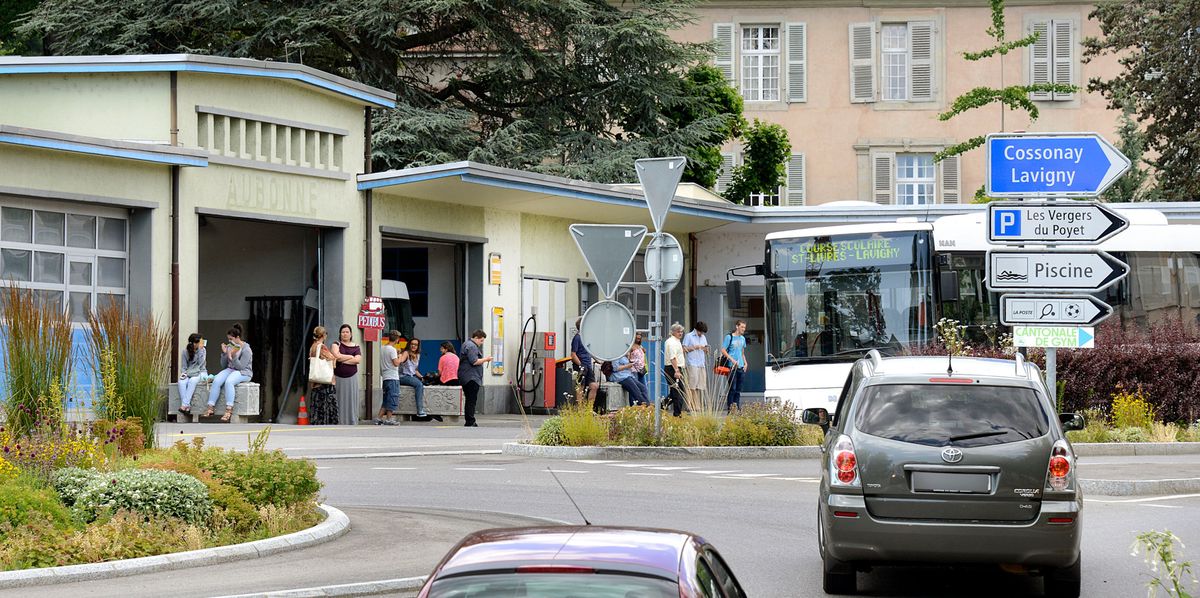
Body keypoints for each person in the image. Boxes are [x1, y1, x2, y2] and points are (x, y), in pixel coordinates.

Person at [205, 323, 252, 422]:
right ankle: (210, 407)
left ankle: (229, 409)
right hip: (230, 369)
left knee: (229, 382)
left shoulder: (246, 349)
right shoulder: (230, 346)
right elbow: (224, 365)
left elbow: (241, 367)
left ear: (237, 337)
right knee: (217, 380)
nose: (229, 341)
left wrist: (233, 355)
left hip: (243, 372)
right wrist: (224, 353)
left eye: (231, 339)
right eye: (228, 339)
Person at [398, 338, 443, 422]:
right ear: (409, 344)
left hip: (411, 375)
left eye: (416, 344)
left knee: (423, 383)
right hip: (403, 376)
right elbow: (400, 361)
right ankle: (420, 411)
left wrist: (422, 377)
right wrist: (399, 355)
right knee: (419, 385)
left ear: (418, 346)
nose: (413, 346)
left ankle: (428, 409)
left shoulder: (417, 355)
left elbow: (415, 370)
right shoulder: (406, 353)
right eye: (412, 344)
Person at [458, 329, 491, 427]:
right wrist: (486, 359)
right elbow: (474, 361)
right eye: (481, 340)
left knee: (469, 399)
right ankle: (470, 420)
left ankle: (470, 420)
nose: (481, 343)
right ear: (476, 338)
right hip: (471, 377)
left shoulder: (466, 344)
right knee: (471, 399)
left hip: (467, 376)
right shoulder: (472, 346)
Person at [331, 324, 362, 426]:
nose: (345, 334)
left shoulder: (356, 346)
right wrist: (350, 356)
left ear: (351, 334)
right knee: (339, 398)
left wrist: (343, 360)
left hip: (352, 377)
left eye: (347, 332)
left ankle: (351, 420)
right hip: (338, 377)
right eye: (343, 332)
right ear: (340, 334)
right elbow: (336, 356)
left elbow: (358, 360)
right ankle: (338, 420)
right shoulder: (336, 344)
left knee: (351, 399)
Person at [309, 326, 339, 425]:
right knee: (325, 403)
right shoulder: (321, 347)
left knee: (316, 402)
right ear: (323, 335)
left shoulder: (313, 346)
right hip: (324, 381)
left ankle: (315, 420)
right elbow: (332, 359)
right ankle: (326, 422)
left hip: (316, 381)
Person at [721, 320, 749, 412]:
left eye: (744, 327)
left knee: (738, 390)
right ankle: (730, 409)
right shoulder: (729, 337)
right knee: (732, 389)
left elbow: (742, 352)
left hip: (740, 367)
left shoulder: (742, 339)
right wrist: (732, 359)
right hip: (731, 367)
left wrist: (745, 363)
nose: (743, 329)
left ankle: (736, 408)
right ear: (737, 326)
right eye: (742, 327)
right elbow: (723, 350)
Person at [571, 317, 598, 406]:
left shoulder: (586, 338)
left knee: (594, 386)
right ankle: (580, 409)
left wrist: (598, 360)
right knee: (580, 387)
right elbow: (573, 354)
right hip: (581, 366)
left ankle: (589, 409)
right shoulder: (577, 338)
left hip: (588, 366)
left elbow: (590, 351)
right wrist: (580, 365)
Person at [177, 333, 207, 414]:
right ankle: (187, 406)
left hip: (201, 372)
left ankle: (184, 405)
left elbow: (201, 365)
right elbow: (184, 367)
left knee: (192, 381)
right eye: (200, 342)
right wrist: (184, 373)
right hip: (189, 372)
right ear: (194, 343)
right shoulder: (185, 352)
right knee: (181, 382)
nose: (202, 343)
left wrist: (200, 350)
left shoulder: (203, 350)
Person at [377, 330, 402, 426]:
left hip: (385, 377)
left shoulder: (382, 348)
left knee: (386, 399)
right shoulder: (392, 350)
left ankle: (379, 418)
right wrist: (400, 357)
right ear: (397, 339)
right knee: (392, 398)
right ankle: (389, 419)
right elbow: (396, 363)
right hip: (393, 377)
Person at [682, 321, 709, 410]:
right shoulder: (689, 336)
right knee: (691, 385)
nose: (701, 334)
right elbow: (684, 349)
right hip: (692, 363)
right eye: (700, 332)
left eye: (702, 332)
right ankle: (689, 405)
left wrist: (706, 349)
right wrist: (694, 347)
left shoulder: (703, 337)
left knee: (699, 386)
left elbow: (705, 347)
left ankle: (697, 405)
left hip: (701, 363)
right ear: (696, 329)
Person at [663, 323, 687, 416]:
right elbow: (672, 358)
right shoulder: (671, 342)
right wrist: (677, 370)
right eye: (678, 332)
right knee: (678, 393)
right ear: (673, 332)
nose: (680, 333)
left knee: (676, 392)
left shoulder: (677, 341)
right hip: (673, 368)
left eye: (681, 332)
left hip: (678, 367)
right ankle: (677, 414)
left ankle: (661, 406)